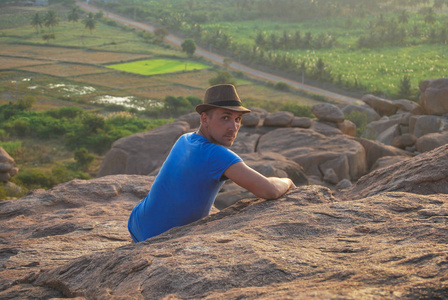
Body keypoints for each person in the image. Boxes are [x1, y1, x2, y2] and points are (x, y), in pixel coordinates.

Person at [128, 84, 295, 242]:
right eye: (225, 118)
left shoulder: (185, 139)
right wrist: (287, 181)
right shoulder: (216, 154)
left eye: (238, 119)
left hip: (138, 223)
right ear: (204, 119)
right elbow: (269, 190)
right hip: (160, 239)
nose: (233, 127)